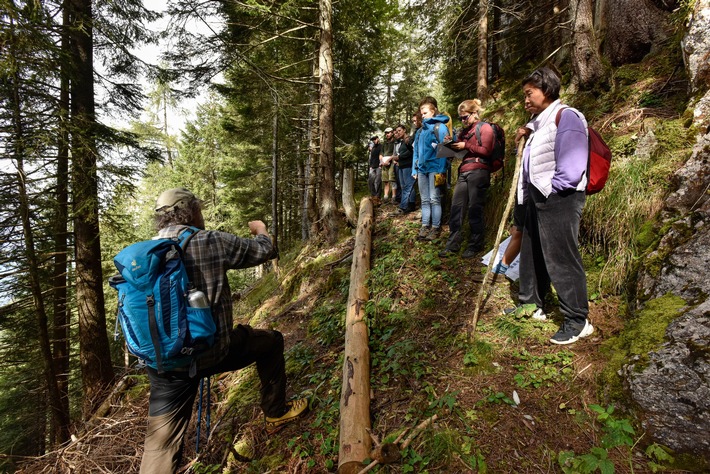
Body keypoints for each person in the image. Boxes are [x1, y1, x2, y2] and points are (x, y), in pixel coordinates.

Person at [140, 188, 308, 473]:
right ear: (190, 211)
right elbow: (264, 250)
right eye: (199, 209)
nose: (202, 214)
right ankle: (276, 413)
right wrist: (261, 230)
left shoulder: (147, 250)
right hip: (212, 352)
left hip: (164, 363)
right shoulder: (209, 241)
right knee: (271, 342)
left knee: (160, 447)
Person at [512, 67, 593, 345]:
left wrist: (552, 190)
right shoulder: (539, 123)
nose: (525, 100)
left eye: (528, 93)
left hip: (559, 197)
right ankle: (531, 303)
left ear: (546, 90)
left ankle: (577, 319)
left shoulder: (567, 116)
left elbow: (572, 166)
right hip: (538, 197)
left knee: (561, 257)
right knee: (532, 253)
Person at [439, 99, 494, 259]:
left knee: (475, 208)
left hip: (479, 171)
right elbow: (459, 153)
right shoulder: (464, 132)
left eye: (465, 117)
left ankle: (475, 245)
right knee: (457, 207)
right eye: (460, 118)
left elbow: (487, 150)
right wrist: (451, 145)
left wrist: (466, 146)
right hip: (464, 171)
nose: (463, 120)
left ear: (475, 113)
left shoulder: (485, 128)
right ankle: (452, 244)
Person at [413, 97, 450, 241]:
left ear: (433, 112)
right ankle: (424, 226)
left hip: (436, 168)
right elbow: (415, 152)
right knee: (424, 199)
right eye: (421, 114)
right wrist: (414, 170)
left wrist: (442, 170)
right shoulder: (420, 131)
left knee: (435, 198)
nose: (423, 116)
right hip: (422, 170)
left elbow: (445, 149)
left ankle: (435, 227)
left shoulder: (440, 127)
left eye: (425, 113)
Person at [390, 123, 416, 215]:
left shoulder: (409, 139)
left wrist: (399, 157)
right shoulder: (401, 142)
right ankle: (411, 204)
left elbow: (412, 152)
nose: (398, 133)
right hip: (401, 166)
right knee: (406, 186)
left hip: (408, 166)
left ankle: (403, 207)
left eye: (400, 131)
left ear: (404, 130)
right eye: (396, 131)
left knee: (407, 187)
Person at [380, 127, 397, 203]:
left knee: (392, 180)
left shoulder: (395, 142)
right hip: (384, 164)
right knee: (385, 181)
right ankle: (386, 197)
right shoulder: (384, 144)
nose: (387, 134)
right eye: (386, 133)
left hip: (392, 163)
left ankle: (394, 197)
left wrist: (388, 160)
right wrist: (381, 161)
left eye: (389, 132)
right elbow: (381, 154)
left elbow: (395, 153)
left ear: (392, 132)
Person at [368, 135, 382, 205]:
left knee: (378, 181)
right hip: (372, 167)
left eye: (375, 139)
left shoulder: (381, 146)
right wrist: (370, 166)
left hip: (379, 166)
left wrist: (381, 164)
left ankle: (378, 197)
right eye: (373, 140)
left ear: (378, 139)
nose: (374, 140)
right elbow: (371, 157)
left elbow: (382, 155)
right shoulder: (373, 147)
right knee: (370, 181)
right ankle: (374, 195)